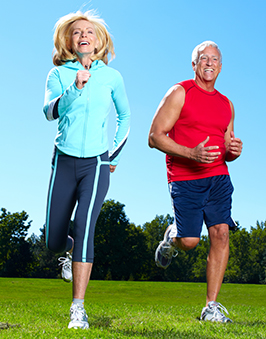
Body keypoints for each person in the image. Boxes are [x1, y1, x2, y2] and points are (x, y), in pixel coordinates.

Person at [43, 10, 130, 329]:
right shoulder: (57, 75)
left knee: (84, 228)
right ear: (68, 40)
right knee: (52, 239)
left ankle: (77, 309)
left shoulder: (112, 77)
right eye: (77, 32)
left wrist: (113, 157)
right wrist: (74, 89)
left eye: (90, 32)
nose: (83, 36)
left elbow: (126, 117)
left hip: (96, 163)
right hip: (64, 161)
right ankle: (64, 252)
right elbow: (49, 112)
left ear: (99, 41)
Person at [148, 41, 242, 323]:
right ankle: (171, 238)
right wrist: (191, 153)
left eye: (215, 59)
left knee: (221, 234)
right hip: (185, 177)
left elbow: (226, 146)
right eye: (204, 58)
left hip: (218, 177)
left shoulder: (227, 104)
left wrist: (233, 152)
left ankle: (211, 306)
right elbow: (154, 137)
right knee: (189, 241)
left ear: (221, 66)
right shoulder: (180, 93)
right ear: (194, 64)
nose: (210, 63)